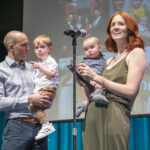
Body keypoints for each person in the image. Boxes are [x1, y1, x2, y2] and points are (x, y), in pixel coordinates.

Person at [78, 11, 146, 150]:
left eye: (121, 24)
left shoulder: (136, 53)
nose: (115, 27)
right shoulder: (108, 61)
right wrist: (85, 81)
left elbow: (131, 91)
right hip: (92, 116)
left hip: (115, 115)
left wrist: (97, 77)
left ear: (130, 28)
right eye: (113, 24)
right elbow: (94, 92)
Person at [0, 30, 51, 150]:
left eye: (28, 45)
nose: (28, 48)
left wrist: (46, 99)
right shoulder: (1, 70)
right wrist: (28, 99)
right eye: (24, 45)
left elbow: (44, 91)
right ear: (11, 46)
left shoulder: (33, 68)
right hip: (17, 127)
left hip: (40, 127)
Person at [29, 35, 59, 140]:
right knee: (34, 107)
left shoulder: (50, 61)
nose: (39, 50)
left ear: (49, 49)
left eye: (42, 47)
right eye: (37, 48)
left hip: (47, 89)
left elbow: (52, 74)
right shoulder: (40, 62)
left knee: (33, 106)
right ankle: (45, 128)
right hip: (42, 89)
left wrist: (39, 67)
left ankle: (46, 125)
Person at [76, 36, 108, 118]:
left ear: (99, 48)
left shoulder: (104, 60)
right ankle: (95, 95)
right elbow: (82, 74)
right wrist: (79, 78)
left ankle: (83, 105)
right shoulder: (85, 61)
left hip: (98, 82)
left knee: (91, 97)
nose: (89, 51)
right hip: (89, 81)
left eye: (92, 47)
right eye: (86, 49)